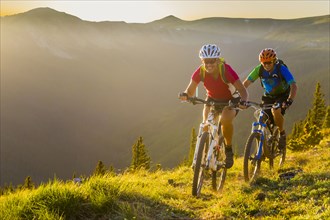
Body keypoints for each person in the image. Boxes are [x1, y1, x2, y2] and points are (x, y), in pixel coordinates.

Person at [179, 44, 248, 168]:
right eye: (206, 61)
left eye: (212, 61)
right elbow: (190, 91)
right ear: (202, 61)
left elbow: (243, 90)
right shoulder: (200, 71)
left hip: (231, 100)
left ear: (217, 60)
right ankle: (204, 155)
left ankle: (228, 150)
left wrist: (243, 101)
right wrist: (185, 95)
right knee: (205, 125)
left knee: (225, 121)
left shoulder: (226, 70)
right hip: (212, 100)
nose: (209, 64)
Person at [243, 48, 297, 151]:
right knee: (262, 116)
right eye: (264, 63)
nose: (266, 65)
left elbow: (294, 85)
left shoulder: (281, 68)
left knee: (275, 110)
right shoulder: (259, 69)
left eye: (269, 63)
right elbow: (246, 83)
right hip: (268, 97)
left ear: (274, 61)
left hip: (282, 95)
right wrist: (240, 96)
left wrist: (289, 100)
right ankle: (265, 139)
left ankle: (282, 134)